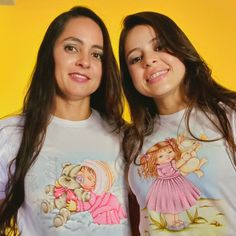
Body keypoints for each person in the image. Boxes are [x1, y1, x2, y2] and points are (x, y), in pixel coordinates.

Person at [0, 6, 131, 236]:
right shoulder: (11, 135)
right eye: (72, 48)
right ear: (49, 54)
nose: (84, 61)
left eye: (96, 54)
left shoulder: (125, 136)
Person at [119, 11, 236, 236]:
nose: (149, 60)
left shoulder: (229, 115)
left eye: (160, 47)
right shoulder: (133, 140)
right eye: (136, 58)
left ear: (181, 49)